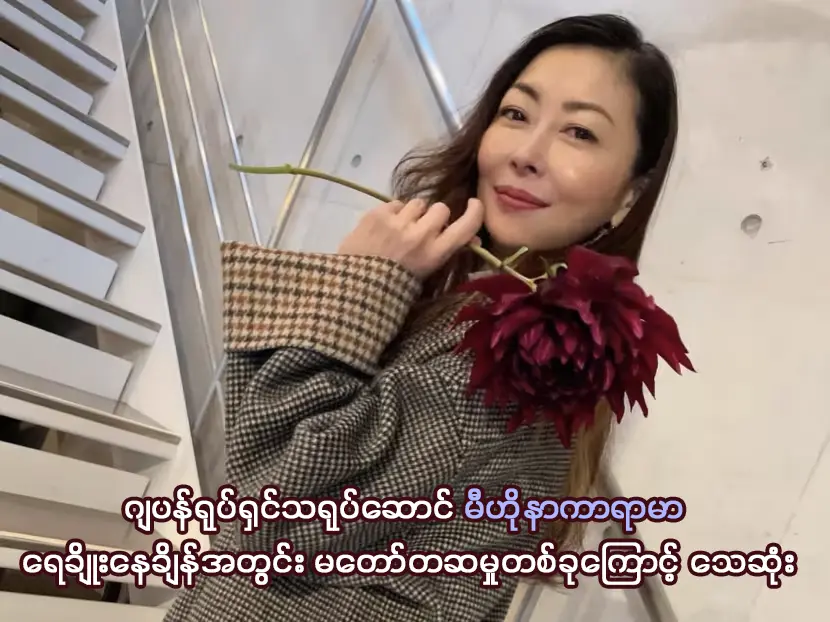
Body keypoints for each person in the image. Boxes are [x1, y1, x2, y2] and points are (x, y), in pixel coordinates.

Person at [165, 13, 678, 622]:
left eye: (580, 132)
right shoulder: (495, 313)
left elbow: (268, 515)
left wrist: (358, 284)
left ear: (630, 191)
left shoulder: (516, 365)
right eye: (516, 114)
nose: (526, 153)